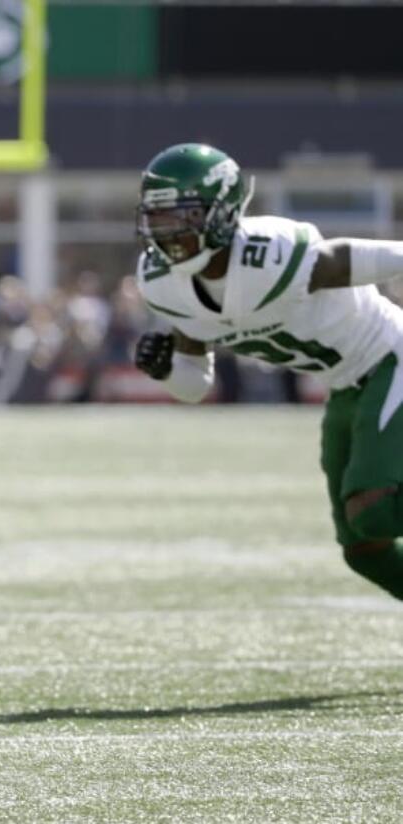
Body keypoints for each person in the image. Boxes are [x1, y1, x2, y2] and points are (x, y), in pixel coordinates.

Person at [133, 142, 403, 603]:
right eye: (158, 218)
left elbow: (348, 258)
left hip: (388, 357)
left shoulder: (268, 253)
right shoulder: (163, 285)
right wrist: (166, 371)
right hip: (343, 386)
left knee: (373, 509)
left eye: (183, 216)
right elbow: (196, 385)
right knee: (363, 548)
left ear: (222, 213)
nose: (168, 231)